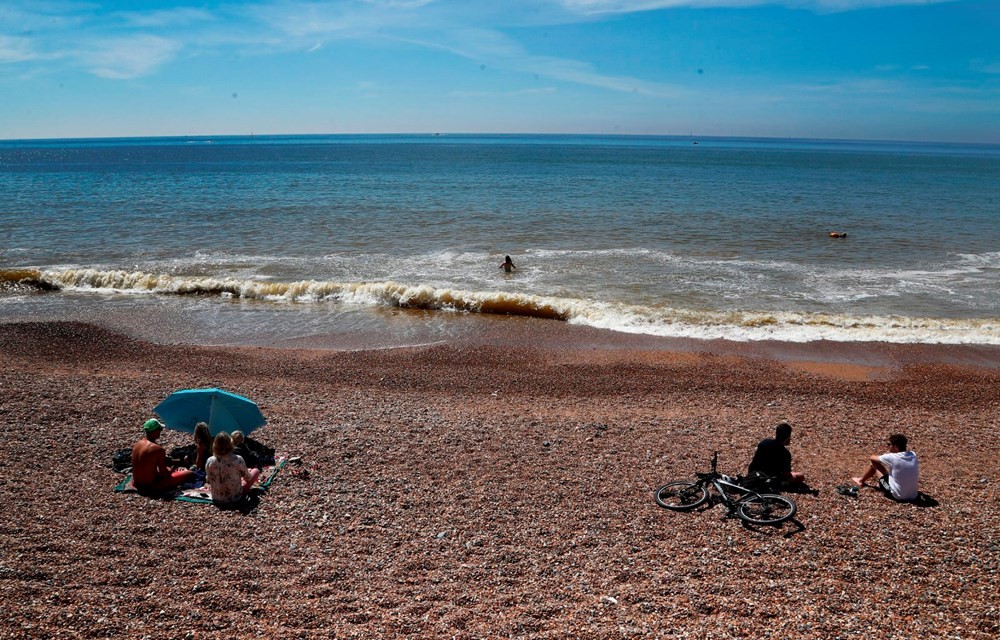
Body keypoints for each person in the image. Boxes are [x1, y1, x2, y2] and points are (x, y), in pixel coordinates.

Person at [131, 419, 195, 494]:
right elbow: (164, 474)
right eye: (160, 429)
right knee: (189, 473)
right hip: (149, 485)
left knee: (169, 469)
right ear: (154, 431)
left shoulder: (138, 444)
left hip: (136, 482)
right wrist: (171, 471)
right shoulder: (157, 449)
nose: (160, 432)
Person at [853, 433, 919, 501]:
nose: (888, 446)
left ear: (895, 447)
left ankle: (860, 480)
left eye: (889, 444)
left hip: (896, 496)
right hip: (913, 496)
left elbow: (872, 458)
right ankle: (861, 480)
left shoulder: (893, 457)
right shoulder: (913, 455)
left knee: (874, 463)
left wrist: (884, 457)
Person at [205, 432, 260, 506]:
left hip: (216, 498)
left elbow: (208, 480)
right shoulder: (237, 459)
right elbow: (248, 478)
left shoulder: (210, 460)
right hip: (235, 497)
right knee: (255, 471)